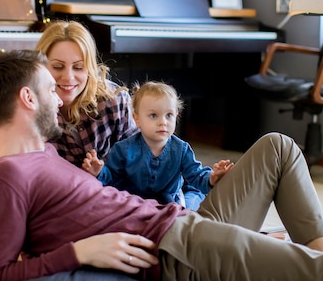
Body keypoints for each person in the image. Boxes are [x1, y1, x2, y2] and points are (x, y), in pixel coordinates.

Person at [0, 50, 323, 281]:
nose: (59, 97)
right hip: (175, 252)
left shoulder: (45, 155)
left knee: (279, 147)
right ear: (27, 98)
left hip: (183, 222)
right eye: (50, 88)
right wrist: (80, 253)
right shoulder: (3, 181)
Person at [83, 81, 233, 209]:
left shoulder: (181, 149)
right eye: (153, 115)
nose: (163, 122)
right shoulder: (123, 149)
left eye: (169, 115)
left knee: (193, 198)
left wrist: (212, 178)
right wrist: (99, 172)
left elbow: (195, 175)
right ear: (137, 119)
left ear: (176, 117)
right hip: (133, 202)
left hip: (170, 203)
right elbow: (112, 178)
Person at [35, 20, 138, 168]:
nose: (68, 77)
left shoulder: (115, 101)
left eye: (78, 67)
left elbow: (137, 161)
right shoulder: (32, 109)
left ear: (89, 69)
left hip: (113, 189)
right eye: (58, 67)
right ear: (40, 67)